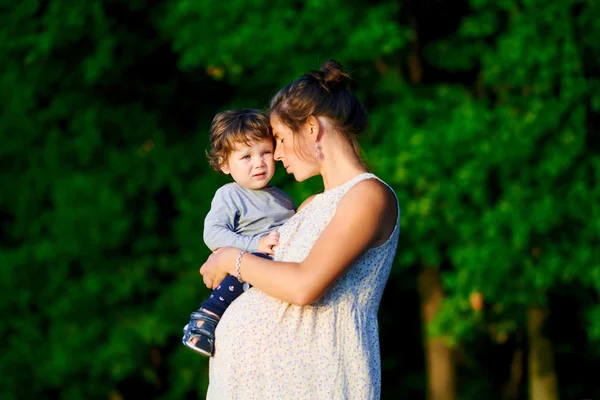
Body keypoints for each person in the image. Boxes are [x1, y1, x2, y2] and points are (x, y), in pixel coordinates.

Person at [199, 60, 400, 400]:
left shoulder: (367, 195)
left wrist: (231, 257)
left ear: (310, 128)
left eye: (277, 138)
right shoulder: (307, 207)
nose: (274, 155)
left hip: (317, 383)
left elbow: (305, 285)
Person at [181, 109, 295, 356]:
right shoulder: (230, 194)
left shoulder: (283, 198)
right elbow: (212, 234)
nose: (259, 162)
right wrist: (255, 244)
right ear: (224, 164)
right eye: (246, 157)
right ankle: (204, 319)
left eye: (265, 152)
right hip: (247, 268)